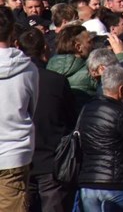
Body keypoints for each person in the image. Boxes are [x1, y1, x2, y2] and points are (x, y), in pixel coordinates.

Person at [16, 29, 76, 212]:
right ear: (45, 48)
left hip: (19, 158)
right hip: (50, 159)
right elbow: (71, 116)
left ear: (18, 47)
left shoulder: (12, 81)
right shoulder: (56, 81)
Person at [77, 64, 123, 211]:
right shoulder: (121, 113)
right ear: (121, 89)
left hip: (88, 179)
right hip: (117, 181)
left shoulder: (86, 109)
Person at [0, 6, 38, 211]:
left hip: (14, 153)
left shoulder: (28, 67)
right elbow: (33, 107)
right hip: (15, 151)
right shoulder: (29, 68)